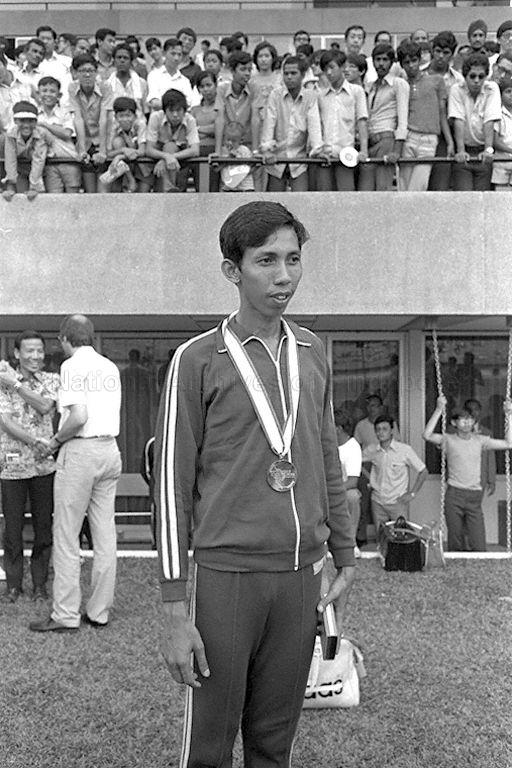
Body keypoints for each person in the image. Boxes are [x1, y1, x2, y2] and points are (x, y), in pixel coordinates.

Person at [154, 200, 355, 767]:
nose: (284, 275)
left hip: (299, 578)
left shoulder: (313, 351)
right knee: (211, 749)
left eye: (293, 259)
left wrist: (343, 550)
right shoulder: (196, 360)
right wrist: (174, 607)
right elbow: (170, 488)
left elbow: (325, 456)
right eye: (266, 260)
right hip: (227, 578)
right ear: (232, 270)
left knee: (274, 745)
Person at [29, 314, 122, 632]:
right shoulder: (109, 366)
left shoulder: (71, 366)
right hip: (110, 449)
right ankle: (100, 611)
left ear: (64, 339)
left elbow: (78, 416)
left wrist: (54, 441)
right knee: (105, 534)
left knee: (66, 534)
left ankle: (66, 614)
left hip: (81, 452)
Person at [0, 331, 59, 603]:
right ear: (16, 354)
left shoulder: (50, 379)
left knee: (43, 526)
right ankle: (13, 584)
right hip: (12, 467)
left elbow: (46, 405)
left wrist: (17, 384)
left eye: (39, 351)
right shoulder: (2, 380)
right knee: (12, 528)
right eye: (29, 351)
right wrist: (35, 440)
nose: (35, 356)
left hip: (43, 467)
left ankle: (39, 584)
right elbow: (6, 422)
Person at [423, 395, 512, 552]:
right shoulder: (448, 439)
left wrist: (509, 414)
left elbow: (508, 443)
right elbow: (427, 435)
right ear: (454, 423)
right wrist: (438, 409)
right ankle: (456, 573)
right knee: (455, 538)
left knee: (479, 542)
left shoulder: (481, 440)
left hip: (474, 495)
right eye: (463, 419)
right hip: (454, 494)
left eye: (470, 419)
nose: (467, 422)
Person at [396, 40, 452, 192]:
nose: (411, 65)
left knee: (419, 187)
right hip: (408, 138)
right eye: (407, 62)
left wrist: (449, 142)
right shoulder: (401, 84)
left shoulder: (436, 80)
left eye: (414, 60)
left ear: (420, 60)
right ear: (402, 65)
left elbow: (442, 113)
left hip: (429, 139)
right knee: (403, 187)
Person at [260, 55, 322, 192]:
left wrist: (317, 149)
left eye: (293, 73)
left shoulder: (310, 96)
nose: (289, 77)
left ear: (303, 75)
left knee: (301, 200)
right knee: (273, 203)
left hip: (299, 160)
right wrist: (267, 150)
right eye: (286, 73)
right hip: (276, 158)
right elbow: (269, 123)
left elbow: (314, 125)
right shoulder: (275, 95)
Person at [358, 43, 409, 192]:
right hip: (370, 142)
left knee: (383, 190)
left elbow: (403, 118)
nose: (381, 63)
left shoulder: (399, 84)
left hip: (386, 140)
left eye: (385, 59)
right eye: (377, 59)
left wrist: (397, 150)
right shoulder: (371, 86)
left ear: (392, 62)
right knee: (364, 191)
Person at [363, 414, 428, 533]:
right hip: (377, 501)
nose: (381, 432)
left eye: (384, 429)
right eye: (378, 429)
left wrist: (412, 494)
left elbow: (423, 471)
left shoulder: (404, 450)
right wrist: (370, 479)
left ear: (392, 430)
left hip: (397, 502)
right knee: (381, 537)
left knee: (401, 536)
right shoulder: (372, 450)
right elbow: (355, 462)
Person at [317, 48, 368, 191]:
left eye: (332, 67)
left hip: (346, 155)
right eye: (325, 69)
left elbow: (362, 121)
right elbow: (318, 126)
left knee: (346, 198)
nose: (328, 72)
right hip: (324, 156)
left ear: (342, 67)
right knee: (324, 198)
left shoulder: (356, 91)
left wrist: (363, 151)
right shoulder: (320, 96)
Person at [449, 52, 501, 191]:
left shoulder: (492, 88)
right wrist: (460, 151)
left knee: (481, 199)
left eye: (481, 76)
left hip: (483, 152)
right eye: (472, 76)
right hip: (464, 151)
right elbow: (458, 119)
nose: (477, 80)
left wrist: (488, 150)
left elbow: (489, 120)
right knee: (465, 198)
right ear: (465, 76)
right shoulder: (456, 89)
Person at [69, 53, 114, 193]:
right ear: (75, 73)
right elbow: (78, 119)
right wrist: (82, 149)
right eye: (83, 71)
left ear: (96, 72)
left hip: (104, 137)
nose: (87, 75)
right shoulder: (72, 88)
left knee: (103, 192)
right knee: (90, 192)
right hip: (86, 139)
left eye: (91, 71)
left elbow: (104, 119)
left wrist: (103, 150)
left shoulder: (105, 86)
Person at [427, 31, 463, 191]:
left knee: (440, 186)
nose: (441, 56)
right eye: (438, 51)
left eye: (446, 52)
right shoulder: (420, 74)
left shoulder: (459, 79)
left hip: (446, 135)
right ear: (432, 51)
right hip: (421, 132)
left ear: (452, 54)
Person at [146, 88, 199, 192]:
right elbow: (149, 149)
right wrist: (165, 156)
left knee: (170, 147)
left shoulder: (190, 120)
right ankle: (169, 191)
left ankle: (168, 191)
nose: (175, 115)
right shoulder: (155, 117)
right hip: (155, 160)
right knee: (169, 146)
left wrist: (170, 157)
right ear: (165, 111)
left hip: (182, 161)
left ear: (184, 110)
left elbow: (195, 150)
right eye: (171, 111)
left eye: (178, 110)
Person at [37, 75, 81, 193]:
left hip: (69, 160)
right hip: (49, 163)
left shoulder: (65, 112)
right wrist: (56, 129)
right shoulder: (35, 114)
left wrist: (45, 125)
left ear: (59, 95)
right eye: (44, 91)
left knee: (73, 198)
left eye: (52, 91)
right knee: (54, 199)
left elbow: (67, 133)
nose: (48, 94)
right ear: (38, 94)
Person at [98, 96, 151, 193]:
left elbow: (142, 151)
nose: (125, 119)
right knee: (117, 141)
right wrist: (123, 150)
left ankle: (131, 181)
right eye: (121, 116)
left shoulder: (141, 124)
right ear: (116, 117)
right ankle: (131, 180)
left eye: (128, 115)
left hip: (142, 166)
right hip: (123, 169)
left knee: (143, 198)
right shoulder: (114, 127)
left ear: (134, 116)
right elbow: (109, 152)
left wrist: (119, 157)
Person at [2, 100, 51, 201]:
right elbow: (10, 159)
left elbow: (39, 160)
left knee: (38, 198)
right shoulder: (11, 134)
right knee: (19, 197)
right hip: (21, 168)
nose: (26, 125)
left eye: (30, 121)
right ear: (15, 121)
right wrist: (10, 185)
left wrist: (34, 187)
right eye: (22, 121)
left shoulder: (41, 134)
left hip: (45, 168)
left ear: (36, 122)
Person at [214, 50, 255, 156]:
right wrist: (217, 152)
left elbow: (256, 119)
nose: (247, 73)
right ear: (232, 71)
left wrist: (256, 151)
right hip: (227, 146)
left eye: (249, 70)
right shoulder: (222, 90)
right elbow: (220, 119)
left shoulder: (255, 89)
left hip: (248, 146)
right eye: (243, 69)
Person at [334, 411, 362, 558]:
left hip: (339, 489)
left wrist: (332, 490)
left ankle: (351, 544)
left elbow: (353, 481)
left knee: (352, 497)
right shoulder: (326, 444)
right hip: (323, 489)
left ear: (338, 429)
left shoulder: (352, 447)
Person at [147, 37, 197, 111]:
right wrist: (178, 106)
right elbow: (155, 103)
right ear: (164, 53)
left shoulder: (185, 81)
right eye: (173, 54)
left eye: (179, 54)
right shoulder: (154, 75)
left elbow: (189, 103)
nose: (176, 58)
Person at [105, 43, 148, 120]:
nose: (122, 60)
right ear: (114, 61)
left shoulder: (142, 83)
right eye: (119, 57)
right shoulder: (107, 84)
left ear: (131, 61)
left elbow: (146, 110)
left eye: (125, 58)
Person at [219, 120, 254, 192]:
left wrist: (236, 160)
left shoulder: (244, 150)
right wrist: (227, 158)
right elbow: (217, 168)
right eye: (228, 139)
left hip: (245, 187)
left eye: (234, 141)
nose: (230, 143)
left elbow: (250, 168)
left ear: (241, 140)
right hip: (227, 188)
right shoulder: (223, 151)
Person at [492, 77, 512, 190]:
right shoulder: (497, 113)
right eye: (508, 91)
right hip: (501, 164)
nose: (511, 95)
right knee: (501, 197)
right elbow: (495, 141)